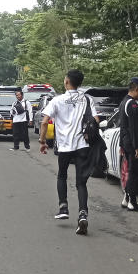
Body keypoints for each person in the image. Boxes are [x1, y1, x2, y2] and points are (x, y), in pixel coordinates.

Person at [38, 69, 98, 235]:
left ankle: (63, 207)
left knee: (62, 175)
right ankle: (83, 213)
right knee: (81, 182)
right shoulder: (87, 99)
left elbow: (44, 122)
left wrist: (42, 142)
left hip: (64, 146)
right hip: (82, 146)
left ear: (66, 81)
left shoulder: (57, 100)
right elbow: (96, 120)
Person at [118, 77, 138, 212]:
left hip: (127, 142)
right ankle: (133, 202)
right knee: (136, 172)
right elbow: (134, 128)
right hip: (134, 144)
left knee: (133, 171)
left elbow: (123, 127)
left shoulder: (124, 102)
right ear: (136, 89)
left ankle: (127, 198)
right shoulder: (132, 105)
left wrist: (121, 144)